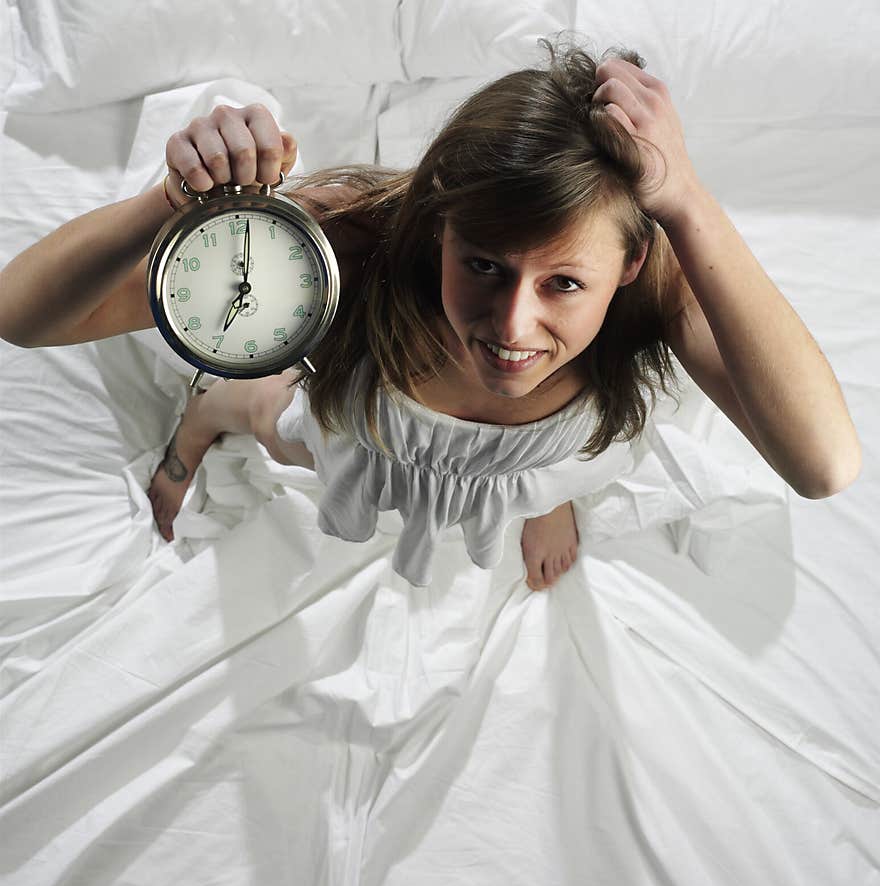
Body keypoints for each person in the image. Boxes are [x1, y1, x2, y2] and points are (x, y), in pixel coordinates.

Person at [0, 36, 861, 591]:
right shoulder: (361, 238)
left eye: (564, 283)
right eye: (482, 265)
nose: (511, 328)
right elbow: (21, 315)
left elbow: (824, 464)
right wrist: (172, 198)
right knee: (272, 418)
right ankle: (215, 403)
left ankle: (534, 495)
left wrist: (686, 201)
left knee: (549, 481)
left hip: (542, 463)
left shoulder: (654, 284)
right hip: (358, 433)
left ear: (629, 263)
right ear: (439, 223)